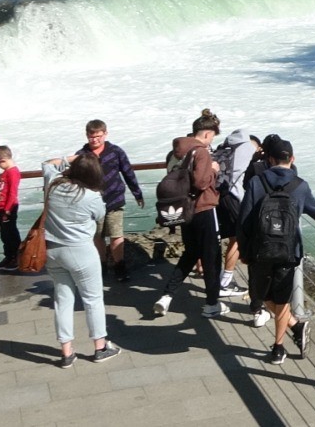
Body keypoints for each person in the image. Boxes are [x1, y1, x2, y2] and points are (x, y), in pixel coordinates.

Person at [238, 136, 315, 365]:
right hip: (289, 252)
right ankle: (294, 328)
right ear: (292, 159)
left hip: (259, 250)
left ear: (269, 159)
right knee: (282, 300)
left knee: (263, 297)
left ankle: (279, 347)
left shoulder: (257, 183)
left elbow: (244, 220)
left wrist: (244, 252)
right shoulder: (301, 185)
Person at [41, 152, 120, 368]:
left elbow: (46, 163)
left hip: (53, 250)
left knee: (62, 299)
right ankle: (100, 347)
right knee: (92, 299)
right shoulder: (91, 196)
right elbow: (99, 215)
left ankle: (66, 352)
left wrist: (69, 158)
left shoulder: (53, 184)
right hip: (81, 251)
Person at [153, 109, 224, 319]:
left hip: (183, 211)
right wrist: (212, 169)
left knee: (191, 253)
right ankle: (212, 304)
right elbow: (201, 182)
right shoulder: (201, 152)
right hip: (203, 209)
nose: (211, 142)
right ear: (207, 133)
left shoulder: (174, 152)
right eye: (212, 137)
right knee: (211, 257)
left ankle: (166, 296)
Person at [78, 119, 144, 282]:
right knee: (97, 236)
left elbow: (128, 172)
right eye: (92, 137)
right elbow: (76, 180)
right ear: (87, 136)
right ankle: (101, 267)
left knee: (116, 235)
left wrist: (137, 193)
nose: (95, 140)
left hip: (115, 200)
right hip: (93, 203)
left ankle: (120, 267)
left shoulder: (116, 151)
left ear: (105, 134)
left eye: (98, 136)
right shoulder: (81, 155)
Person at [213, 128, 255, 298]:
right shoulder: (247, 147)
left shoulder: (223, 147)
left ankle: (220, 278)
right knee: (237, 239)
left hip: (219, 196)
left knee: (228, 238)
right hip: (233, 198)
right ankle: (225, 282)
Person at [0, 146, 22, 271]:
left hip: (8, 208)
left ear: (2, 160)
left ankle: (16, 257)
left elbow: (13, 193)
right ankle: (8, 256)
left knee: (11, 233)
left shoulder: (13, 172)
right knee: (4, 234)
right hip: (0, 207)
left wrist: (7, 210)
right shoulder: (5, 173)